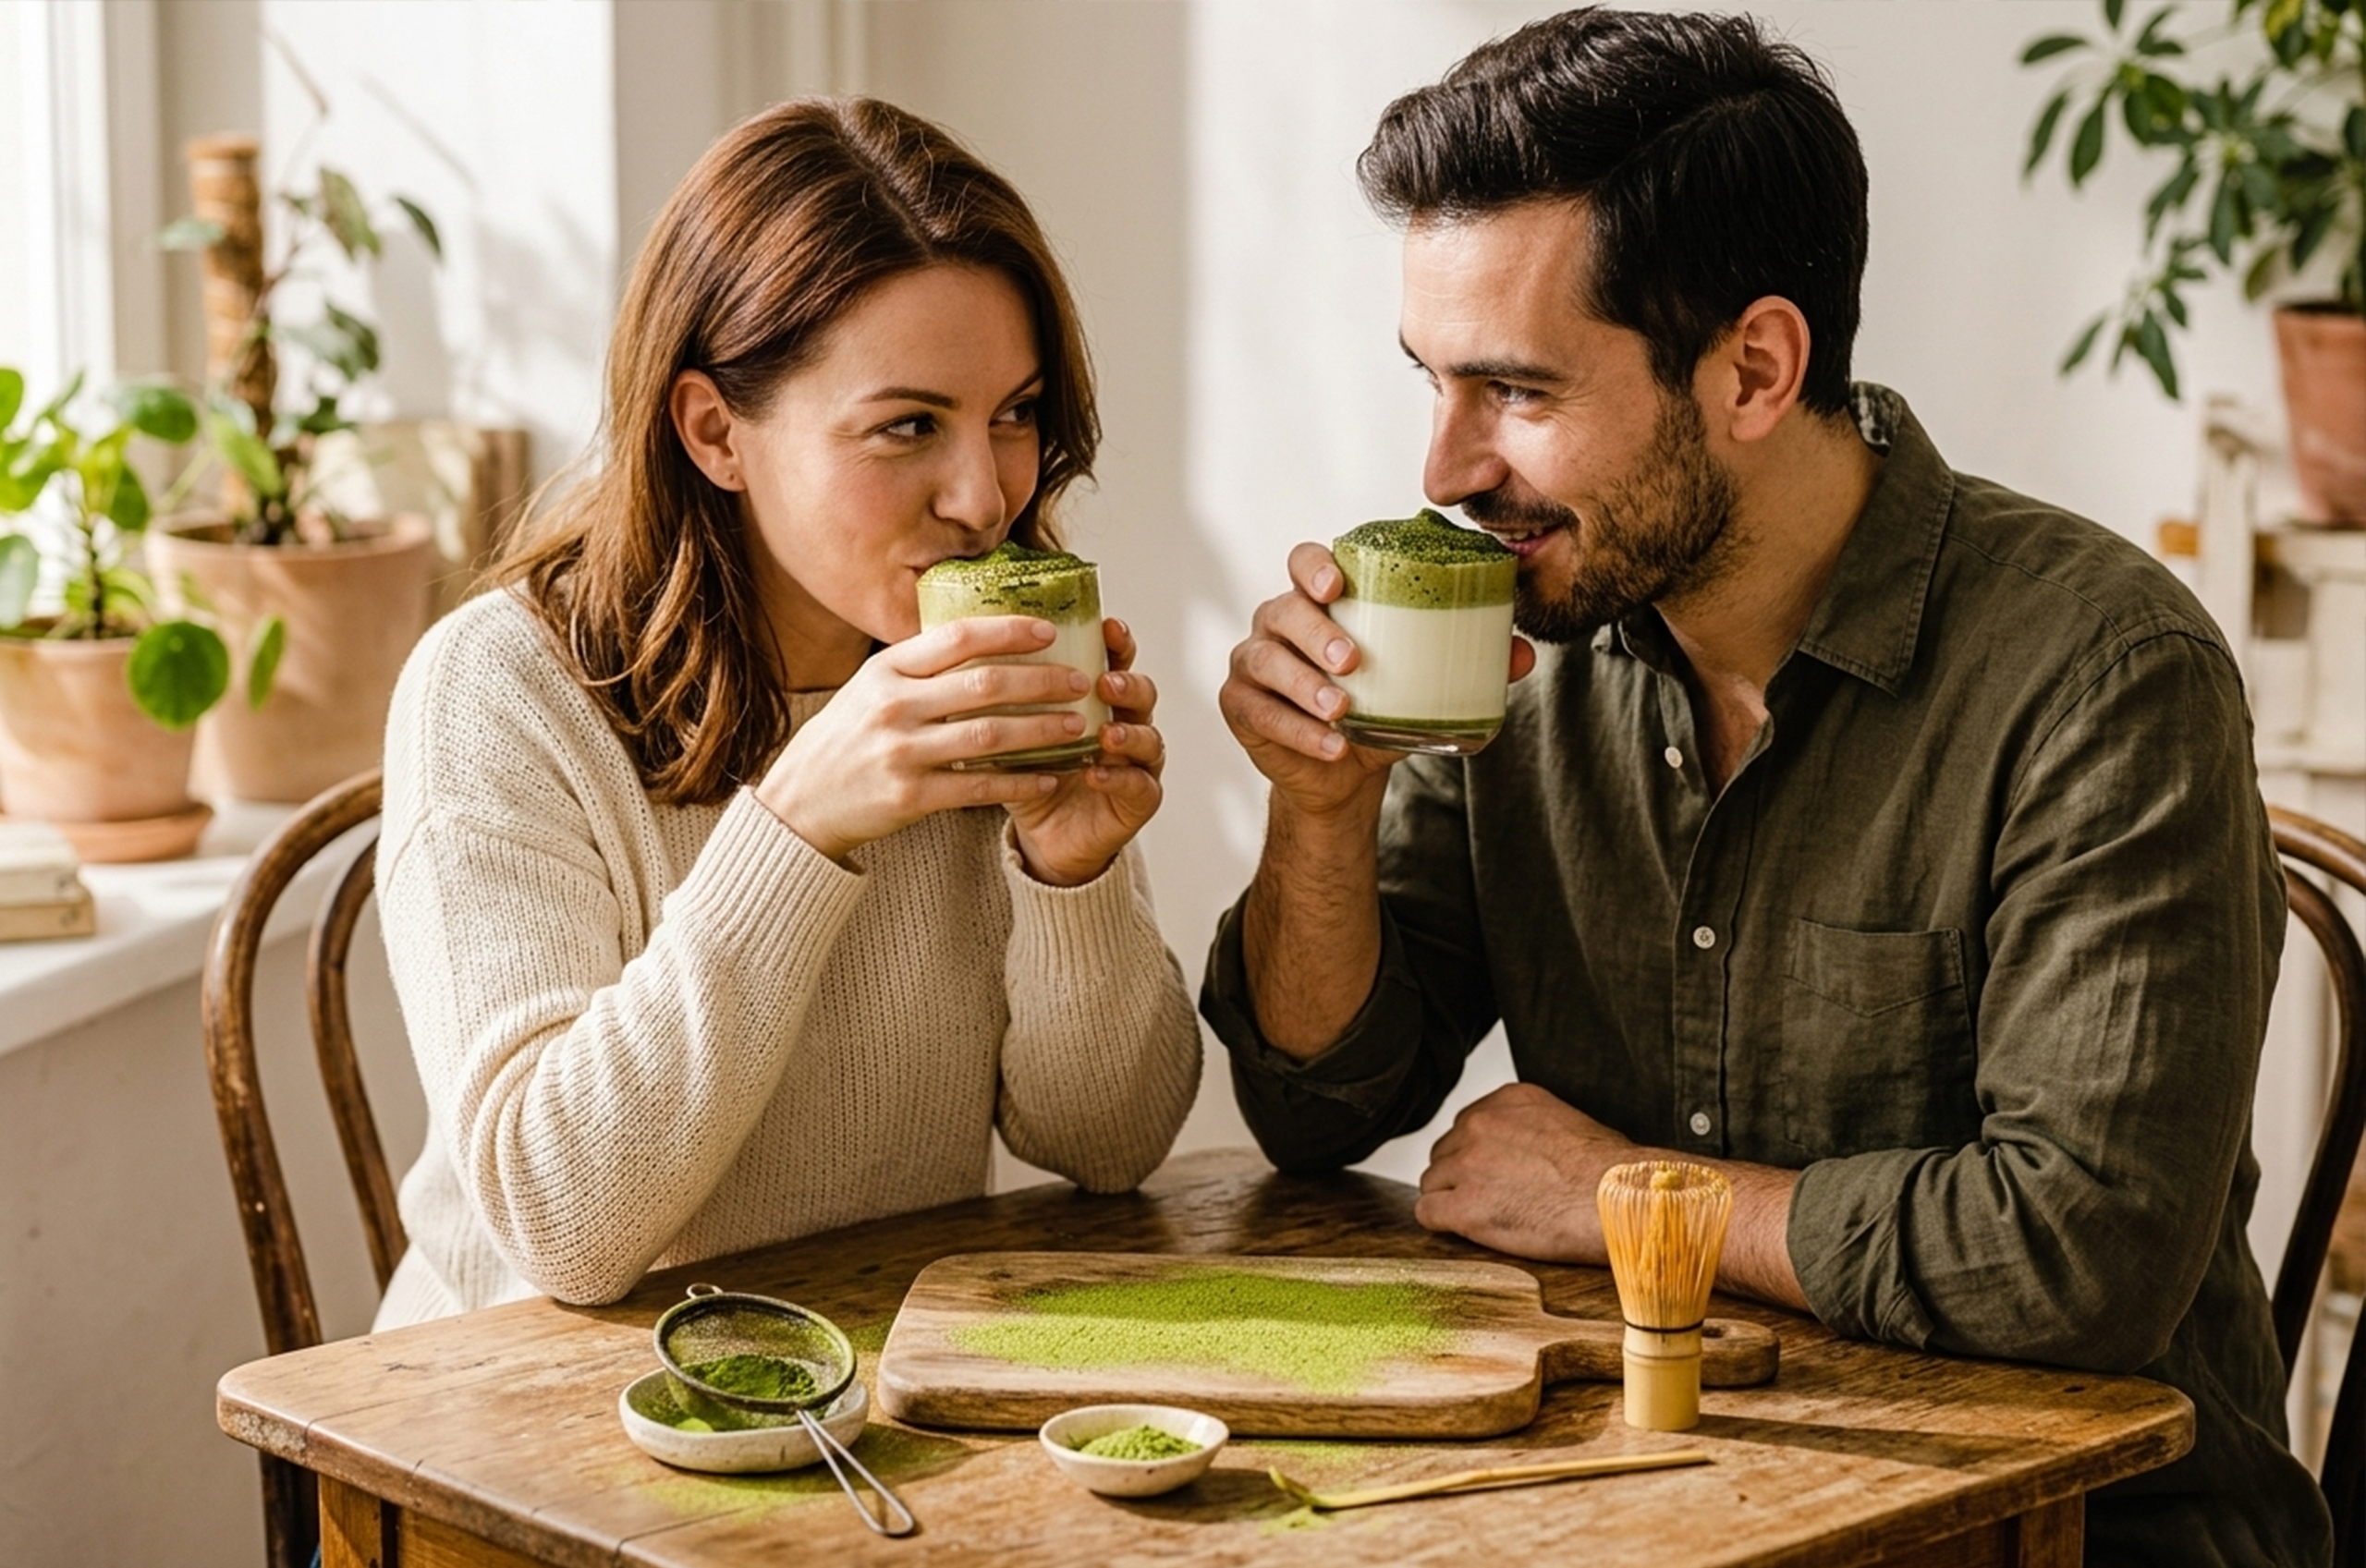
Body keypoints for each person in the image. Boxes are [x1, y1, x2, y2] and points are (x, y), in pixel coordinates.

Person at [1201, 10, 2328, 1563]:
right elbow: (1324, 1104)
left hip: (2069, 1533)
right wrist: (1318, 812)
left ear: (1754, 367)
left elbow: (2079, 1257)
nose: (1444, 468)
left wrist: (1625, 1196)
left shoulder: (2105, 672)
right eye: (1432, 381)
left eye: (1517, 393)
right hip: (1649, 1501)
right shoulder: (1530, 641)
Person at [372, 98, 1201, 1329]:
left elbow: (1109, 1145)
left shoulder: (979, 665)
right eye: (907, 426)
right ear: (716, 431)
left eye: (1015, 414)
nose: (984, 494)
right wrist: (801, 822)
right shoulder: (496, 691)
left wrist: (1069, 873)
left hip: (866, 1376)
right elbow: (562, 1226)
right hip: (521, 1417)